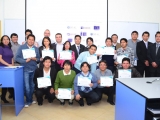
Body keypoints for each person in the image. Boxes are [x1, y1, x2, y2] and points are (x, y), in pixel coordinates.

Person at [16, 34, 40, 107]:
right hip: (25, 69)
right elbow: (17, 58)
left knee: (32, 86)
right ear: (27, 39)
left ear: (34, 41)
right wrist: (25, 61)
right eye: (29, 39)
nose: (31, 41)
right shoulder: (22, 47)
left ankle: (30, 99)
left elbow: (38, 59)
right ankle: (28, 101)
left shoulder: (36, 48)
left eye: (32, 40)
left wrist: (34, 59)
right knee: (27, 86)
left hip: (34, 69)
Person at [0, 35, 14, 103]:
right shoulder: (1, 48)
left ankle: (3, 96)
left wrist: (13, 66)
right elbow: (0, 59)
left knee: (10, 83)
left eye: (7, 39)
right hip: (3, 68)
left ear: (9, 40)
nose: (6, 41)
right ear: (2, 41)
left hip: (10, 68)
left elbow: (11, 58)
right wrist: (8, 65)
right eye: (4, 39)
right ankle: (3, 97)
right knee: (5, 84)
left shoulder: (9, 48)